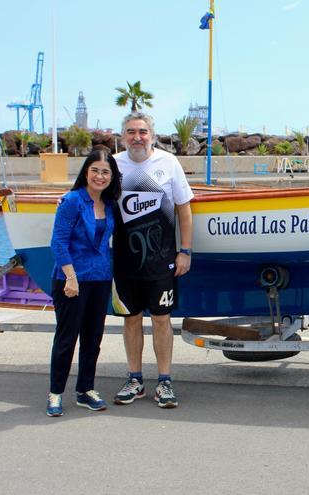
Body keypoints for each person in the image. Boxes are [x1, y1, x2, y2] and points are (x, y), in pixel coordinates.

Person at [111, 112, 194, 409]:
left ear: (152, 135)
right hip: (124, 262)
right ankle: (135, 379)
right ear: (123, 136)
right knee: (131, 320)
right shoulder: (113, 164)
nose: (137, 137)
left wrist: (185, 251)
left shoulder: (168, 162)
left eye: (143, 131)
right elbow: (93, 198)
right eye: (131, 132)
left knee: (161, 319)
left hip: (162, 261)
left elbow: (184, 209)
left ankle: (165, 381)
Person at [47, 150, 122, 417]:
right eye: (95, 170)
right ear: (86, 172)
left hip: (100, 278)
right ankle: (55, 393)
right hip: (71, 280)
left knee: (93, 338)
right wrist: (70, 277)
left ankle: (85, 390)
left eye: (106, 172)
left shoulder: (111, 203)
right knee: (67, 339)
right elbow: (58, 242)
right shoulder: (71, 201)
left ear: (111, 177)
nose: (100, 176)